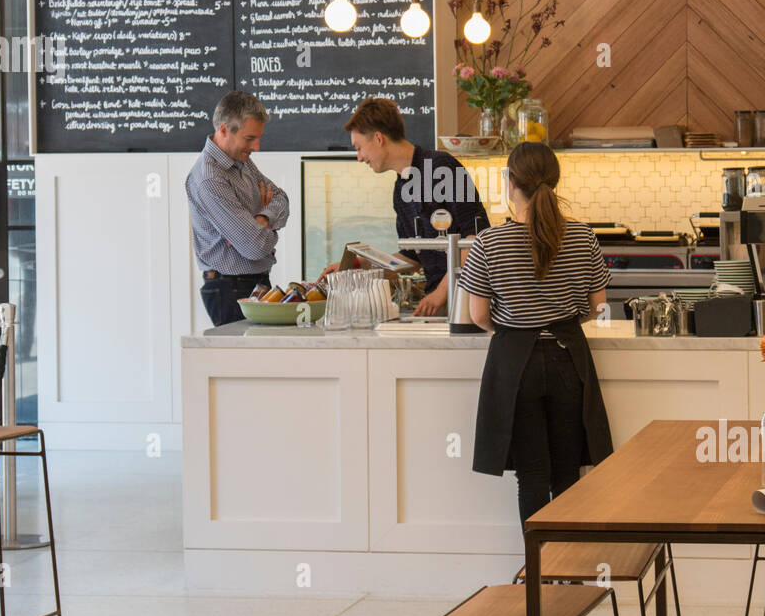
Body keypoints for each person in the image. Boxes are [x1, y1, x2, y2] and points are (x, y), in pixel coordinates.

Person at [457, 142, 614, 539]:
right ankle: (569, 568)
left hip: (517, 366)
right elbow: (598, 307)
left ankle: (540, 571)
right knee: (567, 471)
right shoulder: (583, 237)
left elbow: (478, 316)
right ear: (555, 182)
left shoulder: (488, 244)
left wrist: (516, 327)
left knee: (532, 474)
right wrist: (561, 319)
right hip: (568, 359)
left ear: (512, 184)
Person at [325, 97, 489, 317]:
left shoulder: (443, 167)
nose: (359, 158)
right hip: (440, 306)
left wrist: (441, 293)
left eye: (359, 148)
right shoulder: (400, 192)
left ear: (378, 138)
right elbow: (412, 259)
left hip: (470, 302)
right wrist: (358, 264)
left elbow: (475, 239)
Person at [185, 91, 289, 327]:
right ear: (224, 130)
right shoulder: (210, 179)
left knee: (259, 363)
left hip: (253, 283)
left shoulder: (241, 160)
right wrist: (264, 229)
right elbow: (254, 246)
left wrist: (261, 219)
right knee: (243, 364)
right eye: (250, 138)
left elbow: (282, 199)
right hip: (230, 289)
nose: (257, 147)